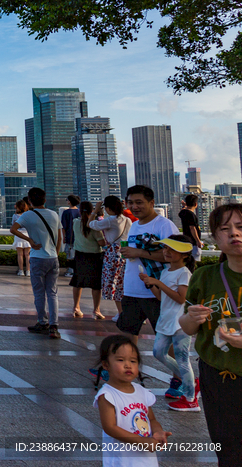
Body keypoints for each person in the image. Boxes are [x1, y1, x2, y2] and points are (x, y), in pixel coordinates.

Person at [180, 203, 242, 466]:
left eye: (240, 227)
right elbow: (186, 327)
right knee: (227, 447)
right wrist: (191, 318)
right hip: (219, 377)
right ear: (214, 237)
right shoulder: (205, 276)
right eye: (225, 229)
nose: (234, 234)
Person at [92, 334, 169, 466]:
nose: (128, 365)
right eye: (121, 360)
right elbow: (110, 427)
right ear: (106, 364)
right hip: (122, 460)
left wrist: (157, 432)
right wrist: (141, 441)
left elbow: (151, 419)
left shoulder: (141, 391)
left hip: (145, 458)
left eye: (133, 361)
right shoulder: (107, 395)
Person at [139, 237, 197, 410]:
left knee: (182, 359)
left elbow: (181, 299)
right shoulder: (166, 271)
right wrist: (150, 283)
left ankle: (190, 399)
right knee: (158, 353)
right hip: (165, 321)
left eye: (171, 249)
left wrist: (158, 283)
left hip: (180, 323)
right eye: (165, 248)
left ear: (184, 255)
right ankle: (190, 381)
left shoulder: (184, 273)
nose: (166, 252)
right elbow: (160, 297)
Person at [117, 185, 175, 346]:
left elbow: (176, 256)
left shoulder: (164, 225)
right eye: (130, 203)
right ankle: (131, 370)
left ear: (151, 203)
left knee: (165, 338)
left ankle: (177, 372)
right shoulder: (135, 225)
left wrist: (139, 253)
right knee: (128, 335)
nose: (134, 207)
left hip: (155, 292)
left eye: (139, 202)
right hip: (132, 290)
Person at [11, 187, 63, 339]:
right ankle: (54, 326)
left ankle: (42, 322)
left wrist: (29, 241)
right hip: (53, 258)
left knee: (39, 292)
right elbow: (60, 238)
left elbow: (13, 229)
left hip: (37, 258)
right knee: (52, 293)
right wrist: (56, 253)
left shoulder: (28, 215)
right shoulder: (54, 214)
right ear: (45, 200)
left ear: (30, 201)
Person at [91, 196, 131, 323]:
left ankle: (121, 313)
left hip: (113, 253)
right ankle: (127, 312)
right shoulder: (127, 220)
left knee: (114, 283)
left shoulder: (110, 221)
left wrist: (95, 211)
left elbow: (90, 224)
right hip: (125, 253)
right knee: (123, 284)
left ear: (108, 208)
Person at [70, 201, 105, 319]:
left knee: (78, 282)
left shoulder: (75, 223)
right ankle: (96, 310)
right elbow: (101, 242)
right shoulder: (94, 226)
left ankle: (76, 307)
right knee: (95, 285)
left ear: (79, 211)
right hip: (95, 256)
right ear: (92, 211)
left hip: (79, 255)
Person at [61, 195, 81, 278]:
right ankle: (77, 271)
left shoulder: (66, 212)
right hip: (79, 237)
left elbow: (63, 227)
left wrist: (64, 237)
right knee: (77, 254)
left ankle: (70, 271)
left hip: (70, 237)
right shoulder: (80, 211)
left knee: (69, 254)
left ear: (69, 201)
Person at [11, 198, 31, 276]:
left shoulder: (15, 216)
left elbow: (13, 225)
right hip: (27, 235)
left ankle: (21, 270)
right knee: (27, 254)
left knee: (20, 254)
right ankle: (28, 271)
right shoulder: (28, 215)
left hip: (18, 234)